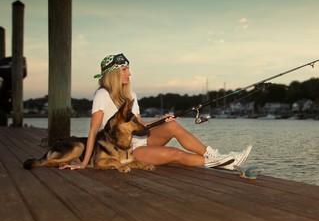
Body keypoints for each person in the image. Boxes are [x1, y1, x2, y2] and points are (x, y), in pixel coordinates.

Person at [60, 53, 251, 171]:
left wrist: (162, 119)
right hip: (129, 151)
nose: (129, 73)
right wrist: (84, 163)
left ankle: (217, 156)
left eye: (129, 69)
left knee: (173, 125)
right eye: (125, 69)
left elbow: (141, 126)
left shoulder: (130, 94)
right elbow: (93, 131)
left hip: (141, 139)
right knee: (175, 154)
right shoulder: (102, 94)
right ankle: (223, 163)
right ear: (113, 73)